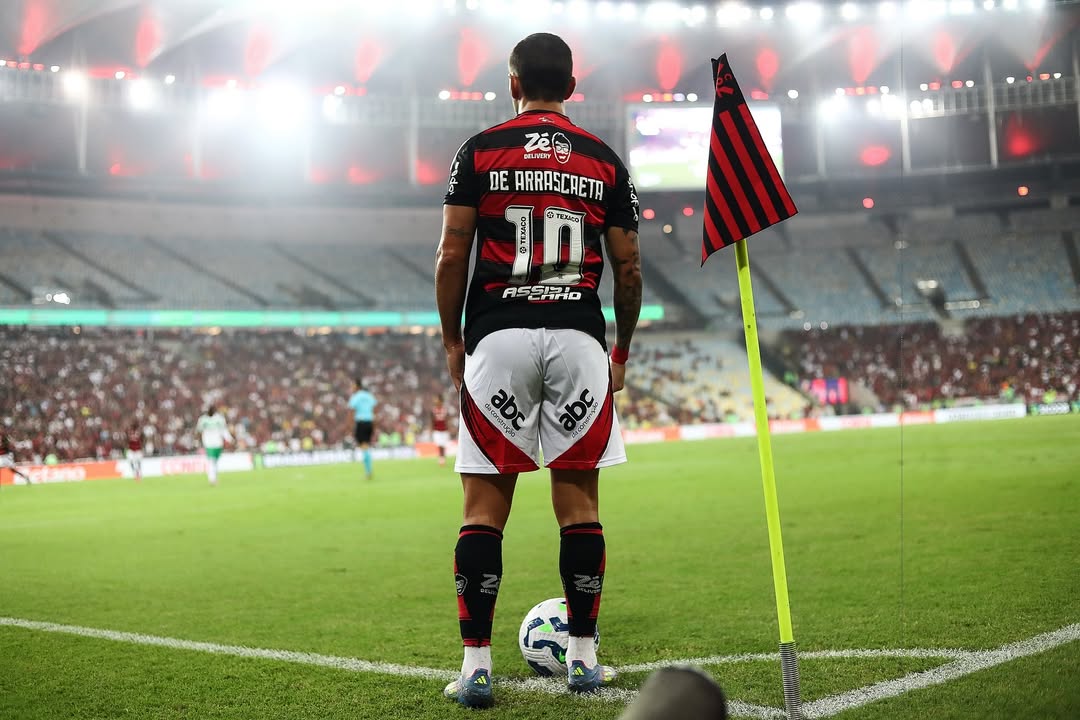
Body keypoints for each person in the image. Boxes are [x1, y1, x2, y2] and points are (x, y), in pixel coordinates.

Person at [435, 32, 642, 707]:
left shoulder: (479, 151)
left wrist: (453, 340)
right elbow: (629, 268)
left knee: (483, 511)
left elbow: (452, 254)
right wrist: (620, 351)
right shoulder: (605, 161)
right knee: (579, 507)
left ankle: (476, 669)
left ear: (513, 84)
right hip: (579, 337)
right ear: (572, 89)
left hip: (499, 335)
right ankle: (583, 658)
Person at [347, 379, 377, 480]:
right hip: (370, 422)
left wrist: (350, 426)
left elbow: (351, 411)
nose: (351, 388)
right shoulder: (369, 395)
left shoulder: (355, 397)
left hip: (361, 423)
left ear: (357, 386)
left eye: (353, 386)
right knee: (366, 446)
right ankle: (368, 471)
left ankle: (368, 472)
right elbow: (374, 409)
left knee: (364, 447)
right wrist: (374, 425)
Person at [195, 407, 232, 486]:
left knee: (215, 461)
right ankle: (212, 479)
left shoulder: (219, 419)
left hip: (218, 443)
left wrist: (229, 439)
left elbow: (224, 430)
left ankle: (214, 477)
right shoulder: (202, 420)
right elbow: (198, 430)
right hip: (208, 443)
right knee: (212, 461)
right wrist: (197, 441)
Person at [431, 395, 451, 466]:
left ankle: (443, 459)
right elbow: (432, 420)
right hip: (437, 430)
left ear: (441, 401)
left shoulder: (445, 410)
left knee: (443, 445)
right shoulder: (433, 410)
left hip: (444, 430)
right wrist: (431, 429)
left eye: (437, 400)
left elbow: (448, 419)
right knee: (439, 445)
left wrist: (449, 428)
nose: (436, 401)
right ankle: (441, 459)